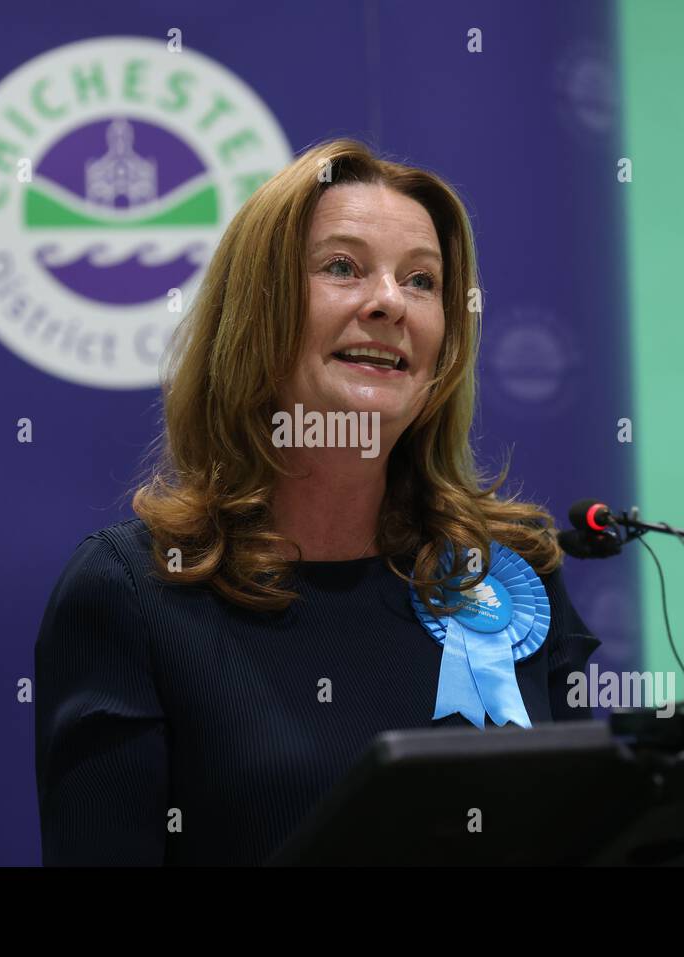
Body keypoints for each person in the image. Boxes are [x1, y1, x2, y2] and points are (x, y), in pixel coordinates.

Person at [34, 138, 601, 866]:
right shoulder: (135, 591)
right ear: (257, 313)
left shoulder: (511, 575)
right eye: (343, 267)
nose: (391, 302)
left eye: (423, 281)